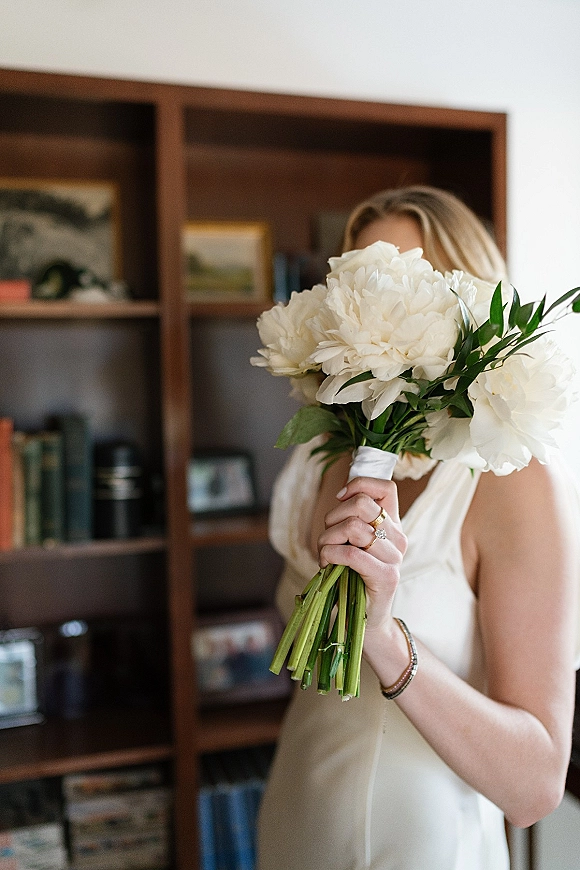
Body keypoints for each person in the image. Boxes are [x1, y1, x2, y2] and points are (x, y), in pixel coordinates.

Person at [257, 185, 580, 870]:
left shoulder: (511, 486)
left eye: (413, 287)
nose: (385, 312)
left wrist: (381, 636)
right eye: (369, 284)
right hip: (295, 822)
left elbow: (536, 784)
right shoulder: (321, 461)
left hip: (424, 849)